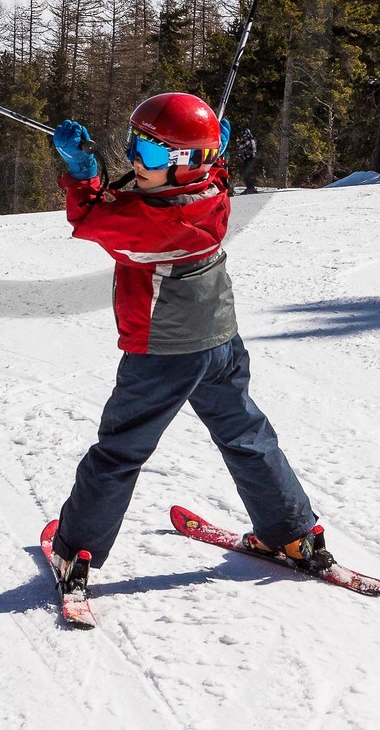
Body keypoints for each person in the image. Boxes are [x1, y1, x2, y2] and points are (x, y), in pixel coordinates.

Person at [47, 91, 332, 596]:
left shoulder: (153, 219)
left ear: (185, 164)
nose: (136, 159)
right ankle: (292, 536)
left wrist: (79, 170)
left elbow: (90, 218)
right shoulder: (212, 190)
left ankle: (76, 553)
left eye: (153, 154)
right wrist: (213, 153)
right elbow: (209, 171)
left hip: (164, 353)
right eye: (135, 144)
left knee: (119, 452)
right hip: (220, 340)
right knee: (245, 433)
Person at [237, 126, 259, 194]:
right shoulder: (251, 140)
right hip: (250, 158)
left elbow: (242, 146)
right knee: (246, 173)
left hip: (250, 158)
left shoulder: (250, 140)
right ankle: (251, 187)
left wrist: (238, 142)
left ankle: (250, 188)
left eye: (244, 136)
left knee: (246, 173)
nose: (244, 137)